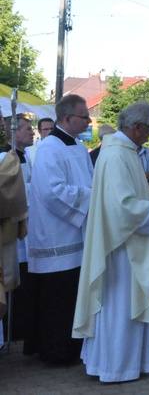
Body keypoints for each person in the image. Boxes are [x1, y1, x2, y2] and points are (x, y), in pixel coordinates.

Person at [73, 102, 149, 383]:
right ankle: (116, 367)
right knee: (121, 307)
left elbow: (129, 195)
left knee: (122, 307)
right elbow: (122, 207)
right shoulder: (117, 154)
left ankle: (124, 364)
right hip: (122, 250)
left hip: (126, 243)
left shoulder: (123, 151)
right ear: (137, 127)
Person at [25, 94, 93, 363]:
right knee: (56, 300)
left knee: (71, 298)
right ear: (67, 118)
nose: (88, 121)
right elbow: (51, 192)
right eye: (84, 116)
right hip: (56, 235)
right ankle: (54, 352)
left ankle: (72, 347)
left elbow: (90, 179)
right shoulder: (49, 147)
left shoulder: (77, 145)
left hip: (77, 232)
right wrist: (91, 197)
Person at [2, 115, 34, 342]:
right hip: (12, 227)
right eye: (28, 129)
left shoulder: (27, 156)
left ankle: (20, 328)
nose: (32, 132)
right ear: (14, 133)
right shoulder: (5, 158)